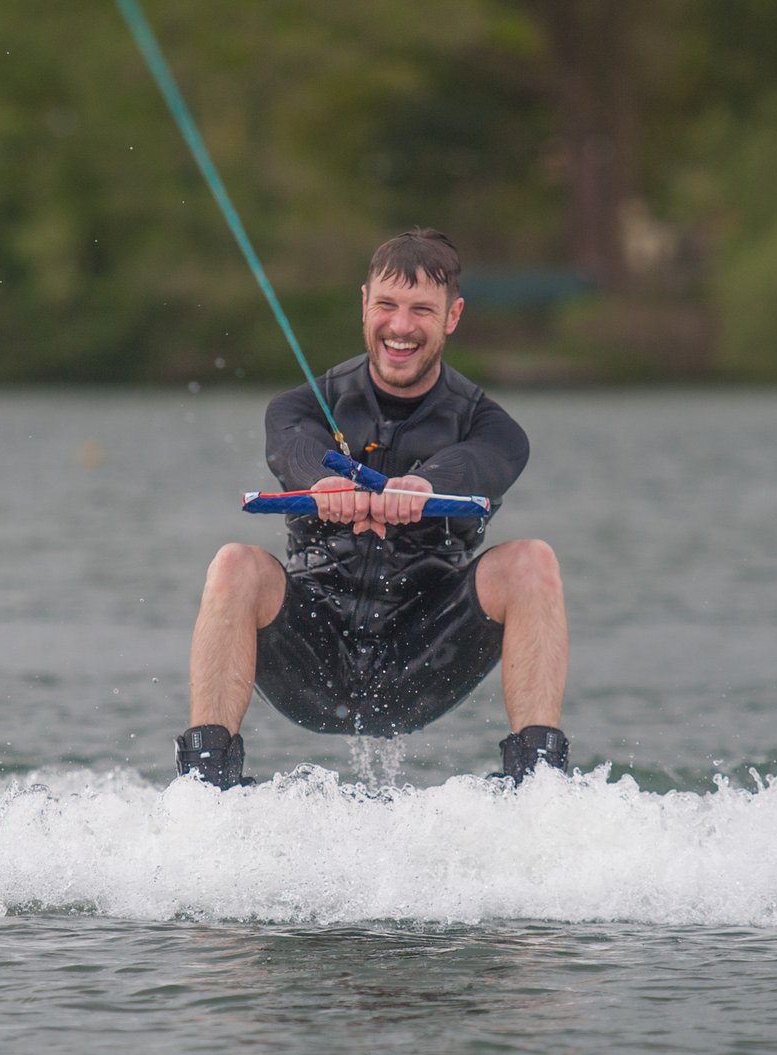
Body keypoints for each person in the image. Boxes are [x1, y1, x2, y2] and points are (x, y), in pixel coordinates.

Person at [176, 228, 570, 787]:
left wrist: (426, 486)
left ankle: (540, 789)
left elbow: (486, 461)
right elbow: (291, 446)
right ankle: (204, 786)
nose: (401, 326)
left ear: (452, 316)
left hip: (426, 656)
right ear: (364, 304)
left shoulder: (492, 427)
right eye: (387, 305)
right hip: (312, 652)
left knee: (533, 562)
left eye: (421, 310)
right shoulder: (300, 406)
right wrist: (320, 482)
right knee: (234, 564)